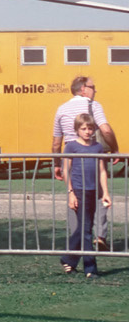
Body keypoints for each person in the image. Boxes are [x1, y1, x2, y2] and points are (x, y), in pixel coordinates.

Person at [51, 75, 116, 247]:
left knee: (73, 196)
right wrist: (115, 149)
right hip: (92, 153)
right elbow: (106, 130)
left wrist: (57, 164)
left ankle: (76, 237)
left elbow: (56, 141)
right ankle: (100, 236)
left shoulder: (61, 109)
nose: (95, 91)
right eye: (93, 87)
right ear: (83, 89)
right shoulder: (94, 106)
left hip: (71, 156)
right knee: (100, 193)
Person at [62, 113, 111, 277]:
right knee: (86, 230)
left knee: (85, 228)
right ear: (77, 130)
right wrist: (71, 193)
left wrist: (105, 192)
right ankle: (90, 268)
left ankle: (68, 259)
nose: (87, 132)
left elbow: (102, 171)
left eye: (90, 128)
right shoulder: (71, 147)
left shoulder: (97, 147)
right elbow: (66, 171)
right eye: (83, 128)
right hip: (78, 190)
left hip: (93, 191)